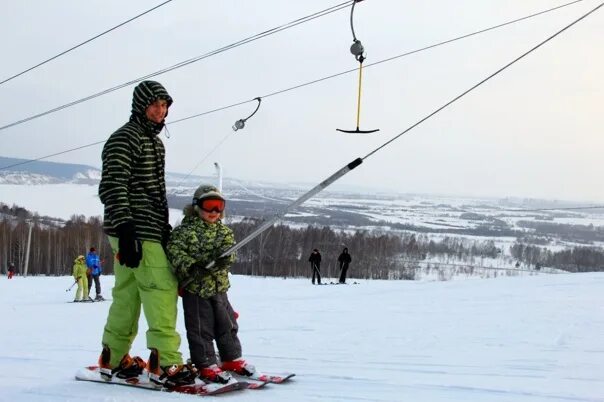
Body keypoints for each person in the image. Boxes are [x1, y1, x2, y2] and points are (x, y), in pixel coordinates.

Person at [97, 80, 196, 388]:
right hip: (136, 230)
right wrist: (128, 232)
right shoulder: (125, 138)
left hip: (146, 230)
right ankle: (166, 364)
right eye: (155, 104)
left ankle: (112, 359)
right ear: (140, 105)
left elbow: (153, 195)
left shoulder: (153, 142)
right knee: (161, 291)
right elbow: (113, 186)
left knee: (128, 294)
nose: (160, 110)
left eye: (165, 105)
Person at [167, 184, 255, 384]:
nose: (215, 212)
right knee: (201, 328)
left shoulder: (223, 232)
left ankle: (231, 358)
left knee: (228, 324)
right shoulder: (184, 231)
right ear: (197, 206)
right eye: (210, 206)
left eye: (219, 206)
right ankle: (205, 364)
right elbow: (174, 251)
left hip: (219, 288)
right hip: (195, 289)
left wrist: (226, 258)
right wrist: (192, 266)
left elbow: (229, 250)